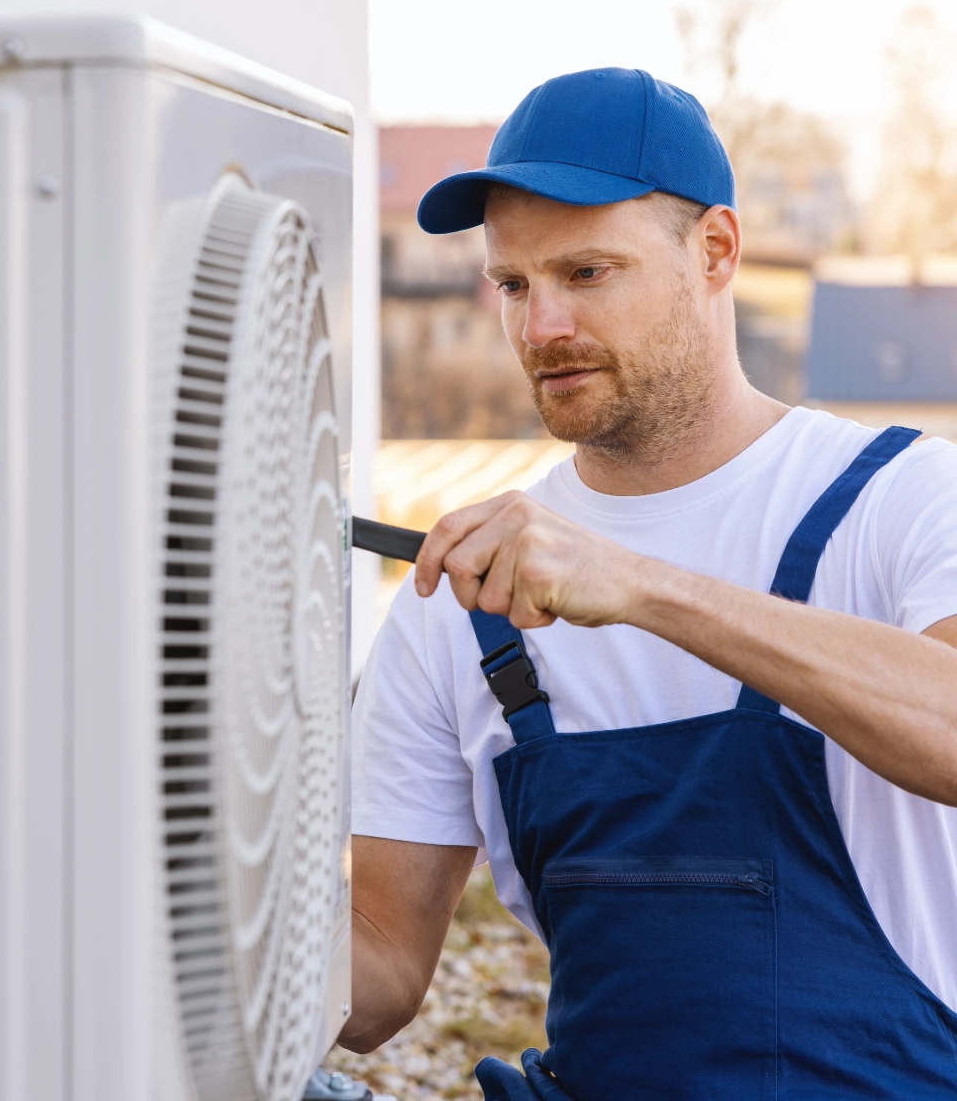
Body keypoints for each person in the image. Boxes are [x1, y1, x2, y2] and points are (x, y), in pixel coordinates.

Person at [338, 67, 957, 1099]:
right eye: (512, 285)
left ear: (714, 251)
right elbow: (382, 975)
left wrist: (641, 587)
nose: (540, 329)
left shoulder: (899, 499)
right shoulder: (460, 598)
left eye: (586, 273)